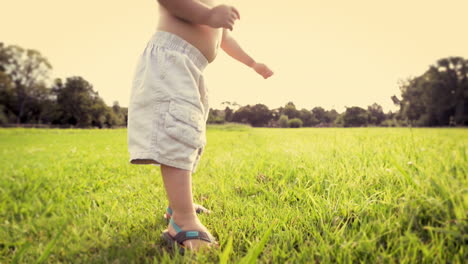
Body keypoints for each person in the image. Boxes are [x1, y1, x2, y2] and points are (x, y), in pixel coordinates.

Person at [127, 0, 273, 252]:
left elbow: (224, 38)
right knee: (178, 132)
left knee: (190, 134)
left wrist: (252, 62)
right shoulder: (208, 7)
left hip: (192, 65)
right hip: (171, 59)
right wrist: (208, 14)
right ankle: (182, 220)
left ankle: (179, 205)